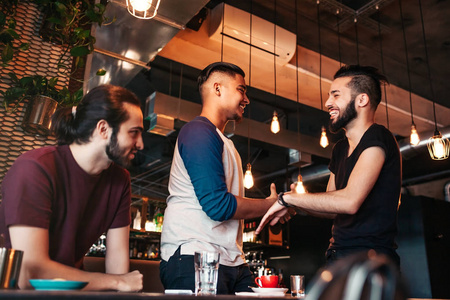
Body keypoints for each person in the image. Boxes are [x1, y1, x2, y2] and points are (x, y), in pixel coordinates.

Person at [159, 62, 289, 294]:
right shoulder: (198, 131)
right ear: (218, 89)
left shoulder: (224, 141)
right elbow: (217, 206)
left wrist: (273, 208)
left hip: (231, 259)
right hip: (194, 256)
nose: (246, 99)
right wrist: (271, 205)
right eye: (242, 89)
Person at [0, 84, 144, 291]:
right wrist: (118, 282)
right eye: (134, 132)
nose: (140, 144)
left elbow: (118, 269)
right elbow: (32, 272)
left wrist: (119, 281)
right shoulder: (35, 167)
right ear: (103, 129)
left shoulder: (120, 181)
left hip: (69, 295)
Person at [256, 65, 402, 267]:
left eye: (336, 95)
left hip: (369, 258)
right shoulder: (340, 148)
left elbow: (349, 201)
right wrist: (296, 204)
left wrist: (288, 198)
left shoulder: (378, 137)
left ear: (362, 99)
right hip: (337, 253)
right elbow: (332, 209)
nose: (327, 103)